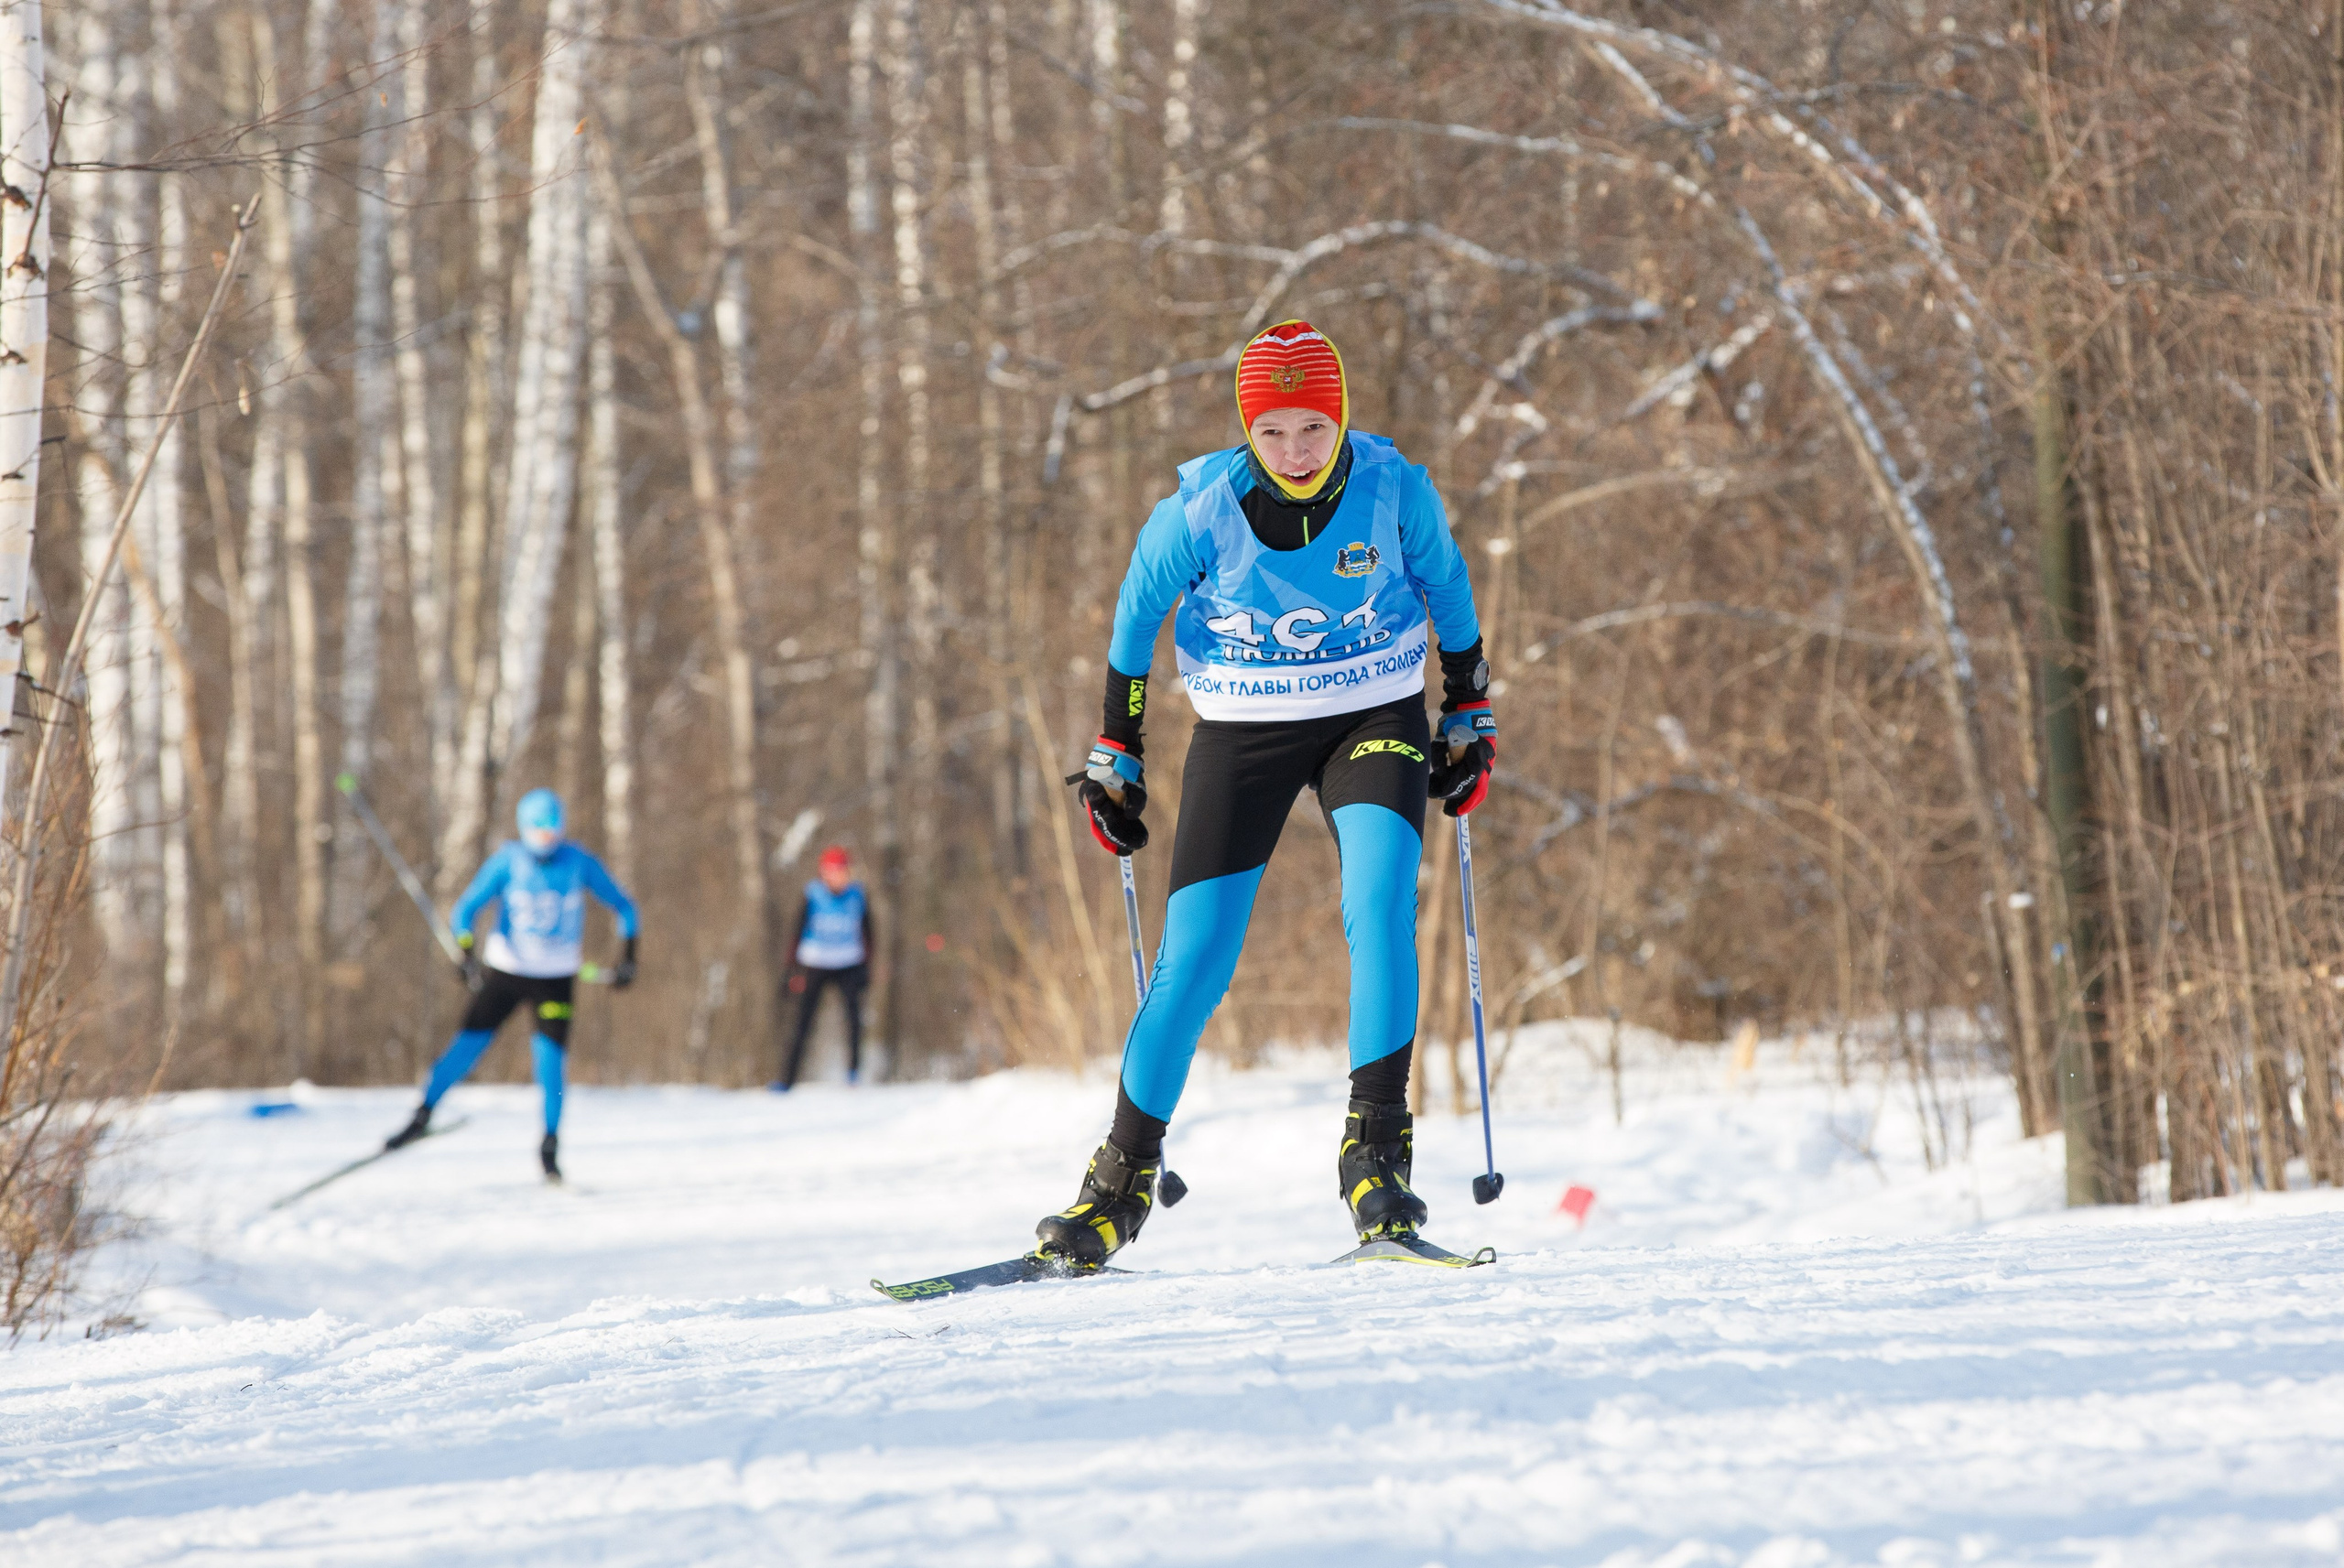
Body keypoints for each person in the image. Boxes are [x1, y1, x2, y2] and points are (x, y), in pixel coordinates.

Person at [1034, 319, 1497, 1267]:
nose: (1294, 452)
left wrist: (1469, 714)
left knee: (1377, 904)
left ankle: (1375, 1160)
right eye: (1274, 432)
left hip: (1373, 714)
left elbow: (1447, 592)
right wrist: (1117, 751)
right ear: (1249, 432)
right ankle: (1116, 1186)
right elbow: (1134, 618)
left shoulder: (1393, 489)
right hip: (1242, 726)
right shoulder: (1200, 508)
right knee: (1194, 957)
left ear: (1341, 422)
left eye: (1313, 430)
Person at [385, 788, 639, 1182]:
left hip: (556, 979)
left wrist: (628, 958)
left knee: (551, 1065)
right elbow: (465, 910)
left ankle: (550, 1146)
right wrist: (466, 954)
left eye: (554, 828)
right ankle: (422, 1114)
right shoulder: (509, 861)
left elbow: (625, 907)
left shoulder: (579, 862)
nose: (548, 837)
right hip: (506, 973)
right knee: (466, 1047)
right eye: (540, 829)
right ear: (524, 829)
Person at [775, 845, 873, 1089]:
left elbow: (869, 934)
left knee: (853, 1020)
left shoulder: (858, 895)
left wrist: (866, 967)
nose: (836, 876)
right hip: (814, 963)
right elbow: (796, 933)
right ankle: (787, 1079)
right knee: (802, 1023)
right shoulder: (812, 894)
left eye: (840, 871)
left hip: (848, 963)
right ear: (823, 872)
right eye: (831, 871)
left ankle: (853, 1074)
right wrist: (792, 972)